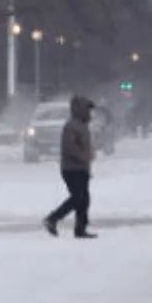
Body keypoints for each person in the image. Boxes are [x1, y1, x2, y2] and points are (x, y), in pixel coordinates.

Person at [43, 94, 97, 239]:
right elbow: (70, 147)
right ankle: (53, 219)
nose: (90, 113)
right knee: (78, 198)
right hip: (72, 168)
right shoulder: (73, 126)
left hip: (81, 168)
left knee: (83, 198)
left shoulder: (82, 125)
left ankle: (80, 228)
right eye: (88, 109)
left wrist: (88, 156)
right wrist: (83, 156)